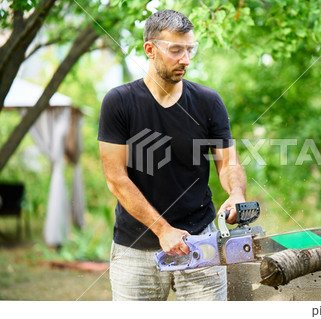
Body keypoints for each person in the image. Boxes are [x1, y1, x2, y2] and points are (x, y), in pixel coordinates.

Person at [98, 9, 247, 301]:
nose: (186, 59)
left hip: (200, 244)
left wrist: (237, 193)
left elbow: (228, 161)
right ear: (150, 50)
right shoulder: (119, 102)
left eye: (190, 49)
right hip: (135, 249)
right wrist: (163, 230)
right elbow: (116, 179)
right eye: (176, 50)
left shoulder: (207, 101)